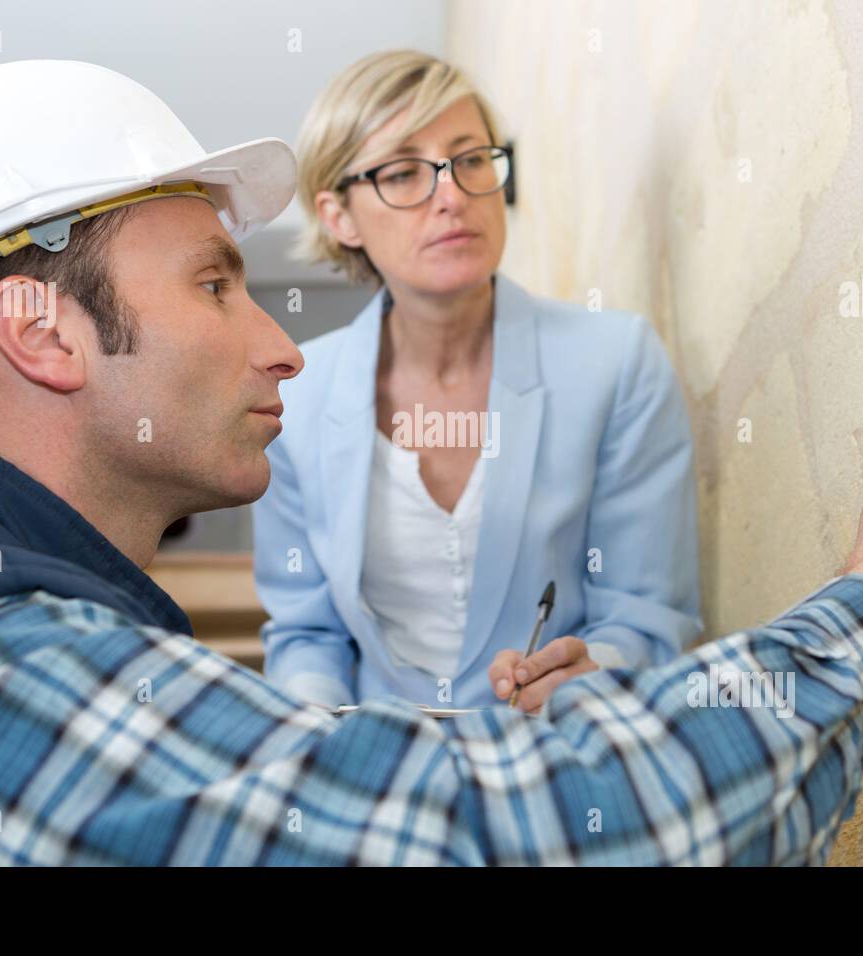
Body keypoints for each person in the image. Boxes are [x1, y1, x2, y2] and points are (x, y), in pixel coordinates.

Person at [0, 59, 863, 866]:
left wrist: (577, 676)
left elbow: (642, 619)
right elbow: (525, 829)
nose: (277, 348)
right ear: (41, 333)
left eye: (470, 160)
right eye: (215, 283)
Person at [254, 51, 702, 713]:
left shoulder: (617, 362)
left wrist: (599, 670)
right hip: (372, 773)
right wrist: (317, 734)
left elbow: (646, 619)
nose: (453, 195)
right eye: (404, 172)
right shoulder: (293, 395)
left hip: (559, 763)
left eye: (471, 160)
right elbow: (307, 633)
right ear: (337, 216)